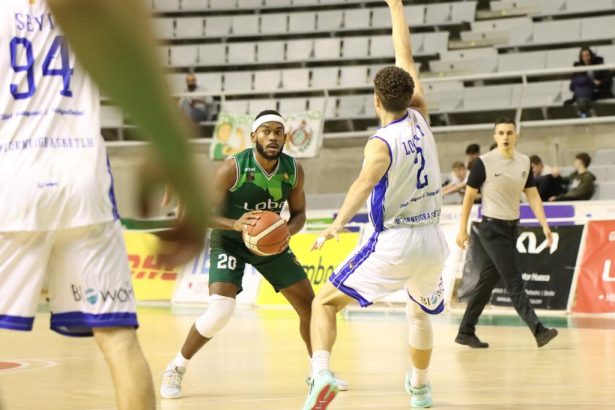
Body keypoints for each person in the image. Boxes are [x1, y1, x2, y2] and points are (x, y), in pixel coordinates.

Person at [1, 1, 210, 409]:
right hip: (84, 182)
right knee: (118, 341)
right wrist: (170, 147)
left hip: (10, 181)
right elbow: (132, 47)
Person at [303, 1, 449, 408]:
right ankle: (419, 388)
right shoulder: (420, 115)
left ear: (376, 99)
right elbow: (405, 54)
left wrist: (336, 224)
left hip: (397, 242)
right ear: (408, 93)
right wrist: (397, 7)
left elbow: (362, 185)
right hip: (432, 242)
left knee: (325, 304)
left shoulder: (381, 143)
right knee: (418, 314)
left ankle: (320, 375)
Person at [160, 110, 347, 400]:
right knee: (220, 312)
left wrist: (286, 231)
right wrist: (234, 224)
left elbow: (299, 215)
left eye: (278, 132)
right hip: (229, 240)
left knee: (310, 307)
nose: (272, 137)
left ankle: (319, 372)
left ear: (285, 138)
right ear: (254, 137)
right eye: (266, 131)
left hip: (269, 244)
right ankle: (176, 367)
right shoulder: (232, 168)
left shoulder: (293, 170)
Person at [455, 118, 558, 350]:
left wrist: (544, 225)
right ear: (494, 136)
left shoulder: (524, 162)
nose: (505, 137)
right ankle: (539, 331)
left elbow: (532, 196)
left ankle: (465, 331)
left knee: (487, 281)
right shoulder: (484, 163)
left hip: (512, 228)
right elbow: (469, 197)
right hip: (491, 229)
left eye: (509, 133)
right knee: (514, 281)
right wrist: (462, 229)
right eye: (500, 133)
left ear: (516, 136)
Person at [570, 47, 613, 117]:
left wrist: (600, 82)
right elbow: (572, 86)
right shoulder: (578, 68)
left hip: (599, 92)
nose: (586, 58)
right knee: (571, 102)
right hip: (584, 93)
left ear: (591, 55)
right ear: (581, 58)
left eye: (587, 55)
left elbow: (608, 79)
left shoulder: (600, 65)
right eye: (583, 56)